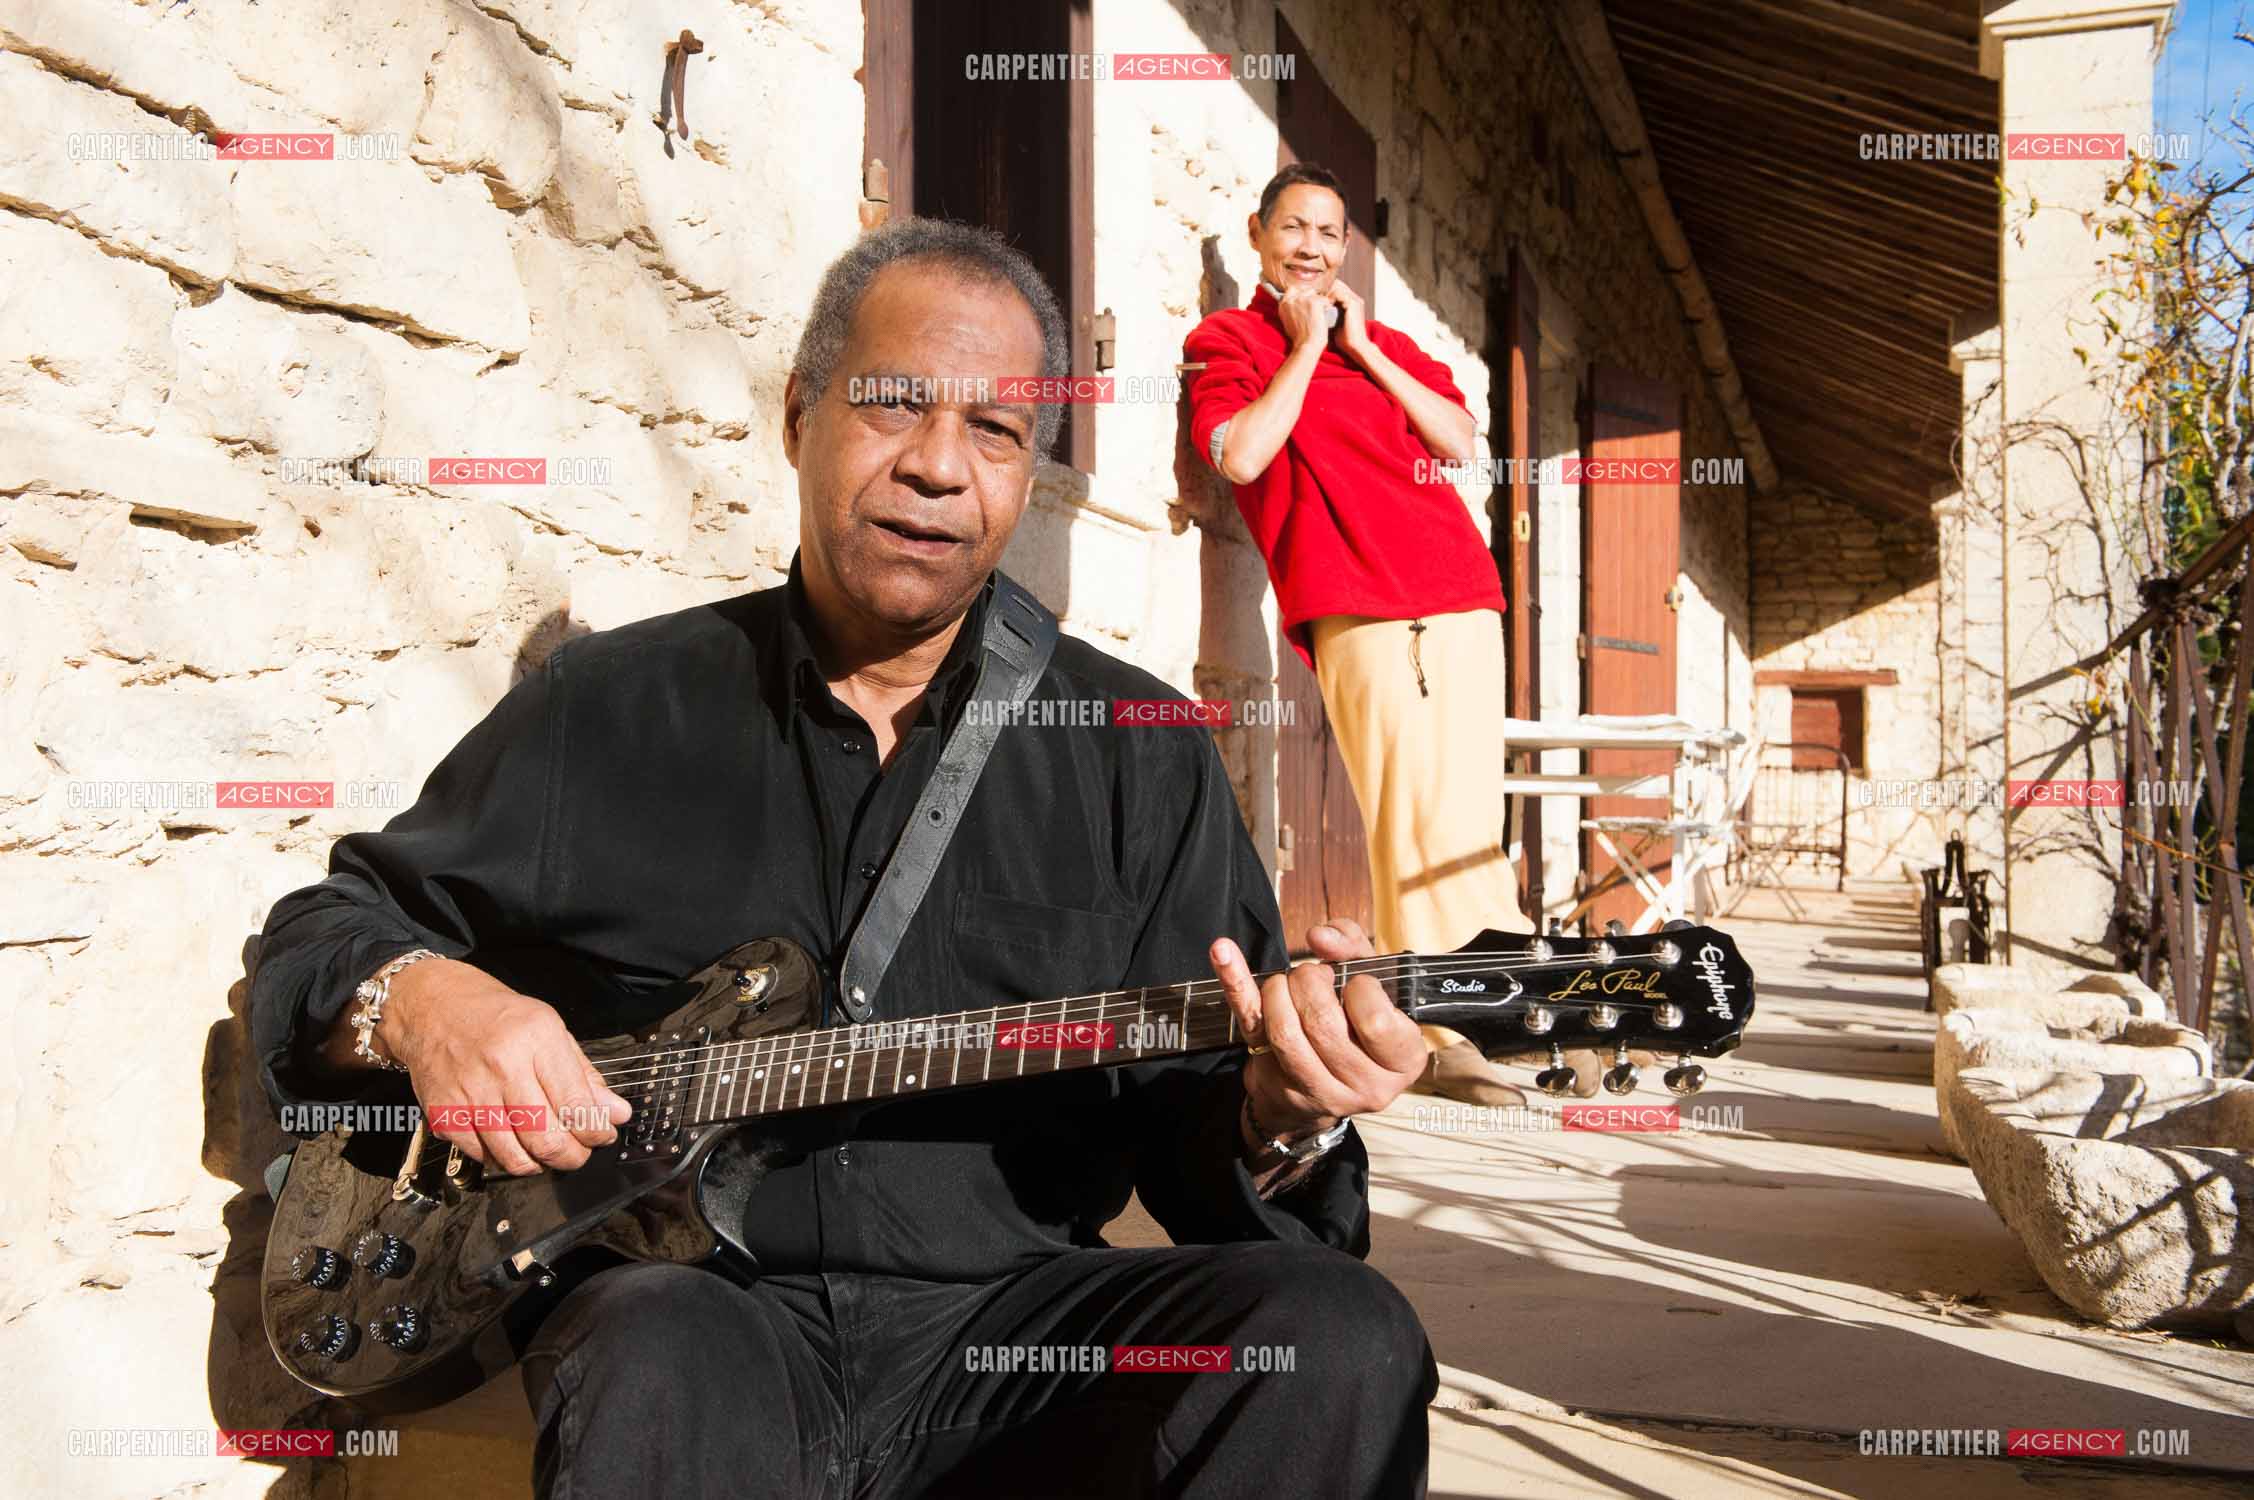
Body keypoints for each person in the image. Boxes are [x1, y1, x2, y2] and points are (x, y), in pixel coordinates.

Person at [247, 217, 1438, 1499]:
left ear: (1028, 473)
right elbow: (327, 929)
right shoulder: (609, 708)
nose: (938, 466)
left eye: (995, 431)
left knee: (1337, 1338)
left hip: (1019, 1338)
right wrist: (428, 1002)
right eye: (892, 405)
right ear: (798, 416)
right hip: (703, 1321)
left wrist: (1286, 1114)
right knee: (648, 1344)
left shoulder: (1137, 754)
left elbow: (1203, 1140)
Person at [1184, 162, 1539, 1107]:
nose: (1312, 247)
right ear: (1260, 236)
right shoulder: (1229, 341)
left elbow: (1459, 442)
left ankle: (1512, 1003)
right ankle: (1445, 1030)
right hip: (1356, 605)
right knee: (1408, 817)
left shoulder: (1390, 345)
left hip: (1461, 592)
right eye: (1294, 228)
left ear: (1346, 248)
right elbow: (1244, 455)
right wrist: (1304, 350)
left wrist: (1364, 350)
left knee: (1469, 821)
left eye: (1330, 233)